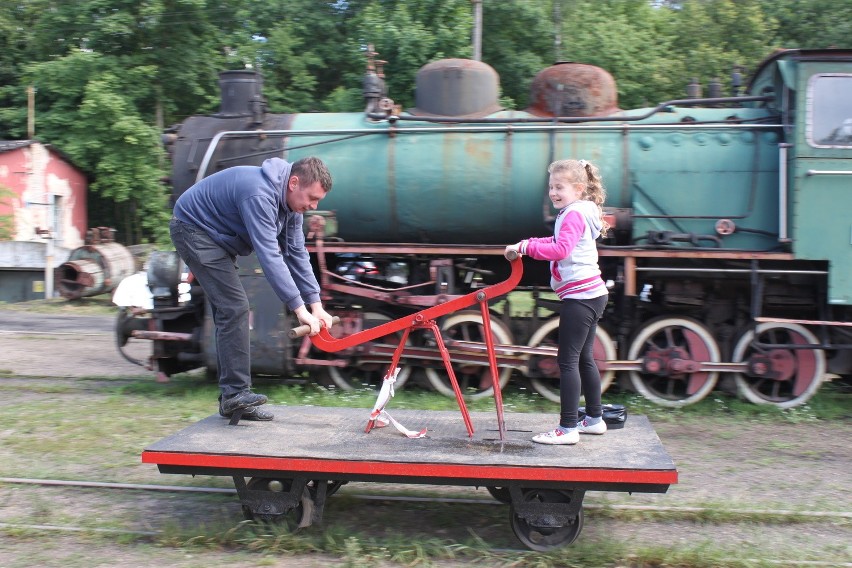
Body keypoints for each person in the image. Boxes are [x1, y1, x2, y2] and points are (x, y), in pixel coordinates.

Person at [170, 156, 334, 421]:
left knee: (229, 310)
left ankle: (232, 399)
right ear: (294, 183)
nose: (313, 206)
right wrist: (299, 309)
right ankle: (235, 395)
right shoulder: (259, 193)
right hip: (193, 229)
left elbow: (296, 252)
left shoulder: (291, 207)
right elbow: (269, 254)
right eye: (312, 198)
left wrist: (316, 305)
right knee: (234, 307)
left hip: (216, 238)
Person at [505, 159, 609, 445]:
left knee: (567, 361)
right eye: (551, 186)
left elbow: (560, 249)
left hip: (581, 296)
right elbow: (556, 239)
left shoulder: (573, 214)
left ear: (577, 188)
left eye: (559, 187)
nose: (553, 192)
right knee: (584, 358)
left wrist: (525, 247)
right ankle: (594, 419)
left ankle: (567, 428)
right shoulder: (577, 211)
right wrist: (526, 243)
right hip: (592, 294)